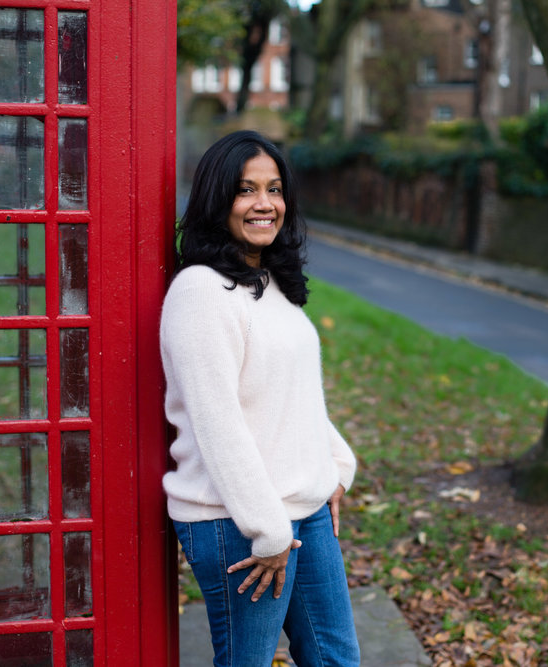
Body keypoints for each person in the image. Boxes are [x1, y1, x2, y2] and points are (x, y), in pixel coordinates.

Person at [160, 130, 360, 666]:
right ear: (217, 198)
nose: (264, 204)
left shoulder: (268, 282)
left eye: (274, 189)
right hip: (237, 522)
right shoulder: (200, 292)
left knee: (336, 661)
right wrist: (267, 530)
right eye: (246, 190)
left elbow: (291, 394)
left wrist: (336, 462)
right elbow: (217, 421)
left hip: (304, 511)